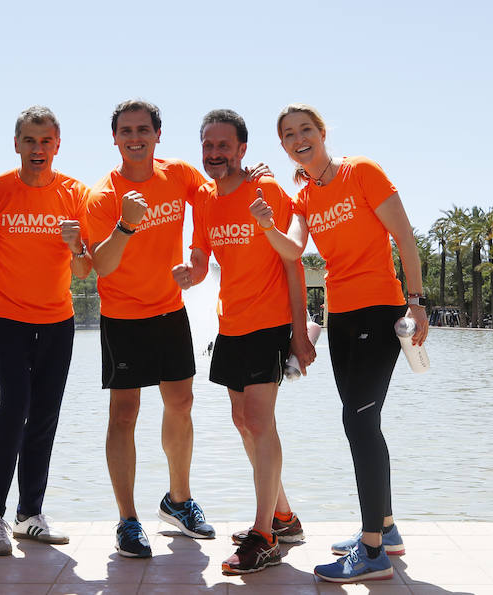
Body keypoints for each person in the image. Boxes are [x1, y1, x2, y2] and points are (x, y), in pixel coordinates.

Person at [258, 103, 428, 583]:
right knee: (363, 423)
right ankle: (386, 530)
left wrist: (416, 301)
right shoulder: (305, 197)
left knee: (358, 421)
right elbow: (293, 250)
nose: (299, 138)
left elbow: (405, 236)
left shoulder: (363, 173)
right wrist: (268, 223)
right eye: (289, 134)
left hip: (380, 309)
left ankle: (372, 553)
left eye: (305, 129)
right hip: (342, 320)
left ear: (322, 132)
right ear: (285, 145)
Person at [173, 109, 314, 574]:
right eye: (208, 146)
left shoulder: (267, 190)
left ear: (241, 149)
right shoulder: (207, 200)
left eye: (223, 145)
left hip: (268, 322)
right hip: (229, 324)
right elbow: (202, 255)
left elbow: (293, 262)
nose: (215, 153)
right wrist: (190, 274)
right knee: (242, 420)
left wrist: (300, 331)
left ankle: (264, 537)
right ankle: (284, 517)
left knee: (259, 419)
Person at [87, 99, 217, 558]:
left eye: (143, 129)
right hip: (122, 316)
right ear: (116, 138)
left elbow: (215, 196)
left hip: (168, 311)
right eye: (126, 130)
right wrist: (126, 223)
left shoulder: (179, 174)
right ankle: (127, 520)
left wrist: (200, 256)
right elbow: (98, 266)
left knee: (181, 402)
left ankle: (178, 502)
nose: (135, 137)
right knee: (124, 414)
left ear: (157, 135)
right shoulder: (103, 196)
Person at [0, 106, 92, 556]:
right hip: (7, 318)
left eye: (46, 141)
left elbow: (83, 269)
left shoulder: (74, 193)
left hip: (58, 321)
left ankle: (29, 515)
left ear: (57, 145)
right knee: (14, 407)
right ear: (17, 144)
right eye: (29, 140)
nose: (37, 149)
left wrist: (75, 244)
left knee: (44, 414)